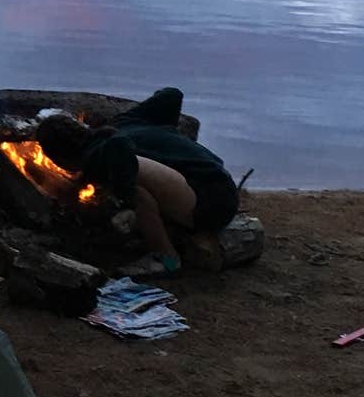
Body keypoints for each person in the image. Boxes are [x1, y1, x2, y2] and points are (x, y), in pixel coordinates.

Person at [36, 87, 239, 274]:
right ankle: (172, 234)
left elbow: (119, 146)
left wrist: (126, 205)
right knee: (134, 180)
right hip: (220, 181)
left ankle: (167, 260)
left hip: (212, 203)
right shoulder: (123, 122)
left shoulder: (96, 155)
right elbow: (172, 95)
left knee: (135, 190)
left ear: (60, 159)